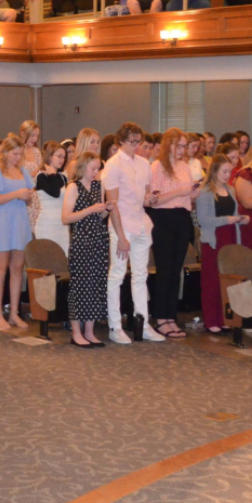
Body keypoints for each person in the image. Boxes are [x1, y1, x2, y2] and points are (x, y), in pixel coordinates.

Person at [102, 122, 162, 343]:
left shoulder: (144, 164)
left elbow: (143, 197)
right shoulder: (113, 164)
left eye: (139, 143)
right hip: (121, 225)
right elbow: (113, 203)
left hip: (141, 224)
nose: (136, 147)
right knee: (117, 275)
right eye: (132, 143)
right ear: (120, 142)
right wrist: (121, 236)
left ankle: (143, 324)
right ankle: (115, 326)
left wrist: (150, 199)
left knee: (141, 275)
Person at [148, 128, 200, 339]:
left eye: (184, 146)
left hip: (182, 218)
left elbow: (188, 199)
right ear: (169, 144)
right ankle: (160, 317)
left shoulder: (186, 167)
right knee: (164, 269)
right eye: (179, 145)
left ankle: (171, 317)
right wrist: (181, 191)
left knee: (176, 270)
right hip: (163, 220)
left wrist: (193, 195)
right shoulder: (157, 167)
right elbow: (155, 200)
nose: (182, 150)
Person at [0, 134, 35, 330]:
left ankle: (14, 312)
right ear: (5, 152)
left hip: (20, 220)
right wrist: (15, 194)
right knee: (1, 266)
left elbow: (29, 199)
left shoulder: (22, 171)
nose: (17, 157)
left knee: (18, 267)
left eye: (20, 154)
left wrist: (27, 197)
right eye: (14, 153)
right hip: (3, 221)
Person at [63, 151, 112, 347]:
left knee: (96, 285)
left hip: (98, 240)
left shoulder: (98, 186)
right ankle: (76, 332)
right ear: (82, 168)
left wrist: (106, 209)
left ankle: (89, 331)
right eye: (92, 169)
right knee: (80, 286)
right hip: (82, 241)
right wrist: (90, 210)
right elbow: (66, 217)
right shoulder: (73, 187)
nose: (95, 173)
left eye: (97, 169)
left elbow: (98, 218)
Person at [196, 153, 248, 334]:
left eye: (229, 172)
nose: (227, 175)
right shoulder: (205, 193)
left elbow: (232, 215)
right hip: (213, 239)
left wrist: (241, 219)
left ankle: (226, 318)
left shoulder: (231, 191)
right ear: (214, 171)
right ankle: (211, 319)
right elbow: (203, 220)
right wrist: (227, 220)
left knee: (228, 279)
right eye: (224, 171)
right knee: (211, 280)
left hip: (230, 236)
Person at [34, 141, 69, 254]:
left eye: (64, 157)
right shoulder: (41, 176)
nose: (62, 160)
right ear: (49, 156)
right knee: (48, 258)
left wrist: (54, 175)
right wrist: (52, 174)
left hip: (61, 225)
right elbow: (55, 193)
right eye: (59, 156)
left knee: (63, 258)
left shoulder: (63, 177)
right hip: (46, 224)